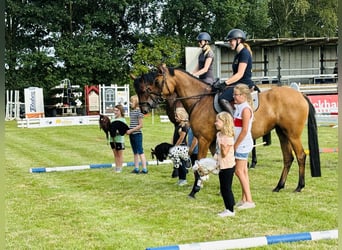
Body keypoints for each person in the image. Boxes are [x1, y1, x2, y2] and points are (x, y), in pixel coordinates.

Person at [217, 28, 258, 116]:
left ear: (238, 40)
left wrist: (225, 83)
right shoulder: (238, 55)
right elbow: (235, 74)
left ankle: (233, 121)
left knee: (222, 98)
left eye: (231, 41)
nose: (229, 43)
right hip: (238, 83)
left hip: (244, 84)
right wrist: (225, 84)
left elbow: (240, 74)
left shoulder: (244, 53)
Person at [233, 84, 255, 210]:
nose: (234, 97)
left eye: (236, 94)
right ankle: (244, 198)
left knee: (239, 171)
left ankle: (249, 200)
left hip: (243, 144)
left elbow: (245, 130)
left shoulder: (245, 109)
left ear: (244, 95)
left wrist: (235, 145)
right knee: (244, 171)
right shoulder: (239, 107)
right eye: (234, 94)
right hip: (240, 143)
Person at [214, 111, 236, 217]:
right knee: (223, 188)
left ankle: (230, 210)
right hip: (221, 165)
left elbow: (224, 154)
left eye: (217, 121)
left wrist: (223, 146)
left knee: (226, 188)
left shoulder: (227, 137)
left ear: (224, 122)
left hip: (228, 166)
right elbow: (218, 151)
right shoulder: (219, 134)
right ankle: (229, 206)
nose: (215, 123)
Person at [126, 95, 148, 174]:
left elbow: (140, 125)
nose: (130, 103)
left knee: (140, 151)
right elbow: (132, 123)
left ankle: (145, 168)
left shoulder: (139, 112)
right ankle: (136, 168)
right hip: (132, 134)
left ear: (136, 102)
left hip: (137, 134)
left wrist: (131, 130)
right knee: (135, 152)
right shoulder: (132, 112)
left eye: (131, 101)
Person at [173, 107, 190, 186]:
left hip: (181, 147)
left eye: (177, 116)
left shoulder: (184, 126)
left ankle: (183, 179)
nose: (175, 118)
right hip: (177, 147)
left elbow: (182, 137)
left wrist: (176, 146)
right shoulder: (178, 125)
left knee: (182, 164)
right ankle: (180, 179)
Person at [110, 105, 127, 173]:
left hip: (119, 140)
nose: (115, 112)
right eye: (114, 110)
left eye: (117, 110)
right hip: (112, 139)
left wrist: (117, 131)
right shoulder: (112, 119)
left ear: (121, 111)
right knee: (115, 154)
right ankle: (116, 167)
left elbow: (124, 130)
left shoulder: (123, 120)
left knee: (120, 155)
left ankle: (120, 167)